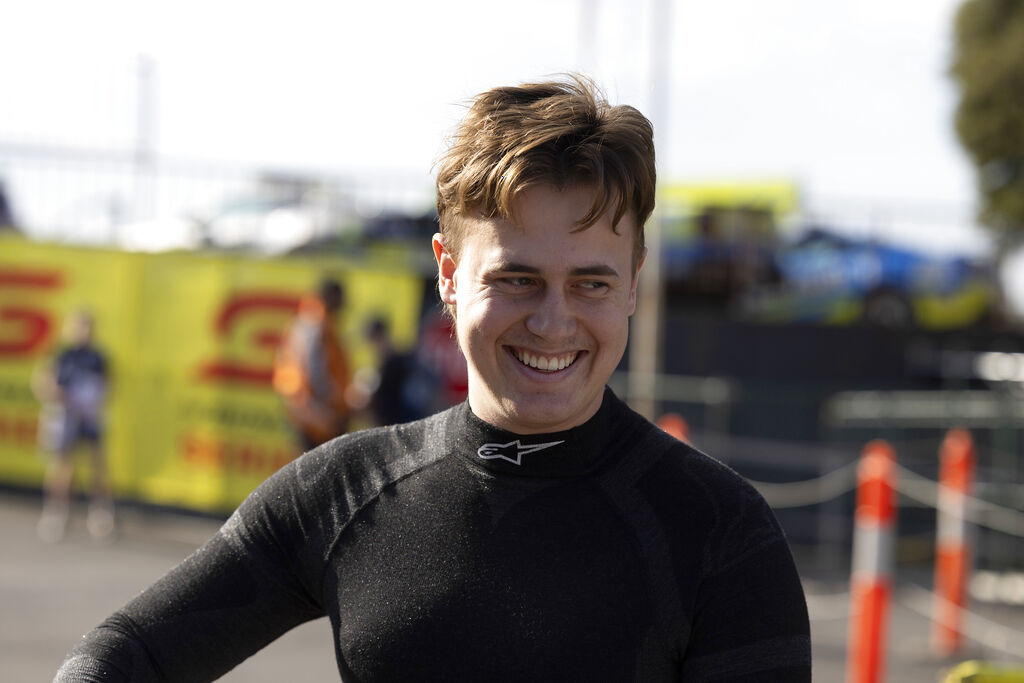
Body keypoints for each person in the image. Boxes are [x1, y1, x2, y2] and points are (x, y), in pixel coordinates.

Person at [55, 75, 810, 681]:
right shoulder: (346, 491)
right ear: (449, 275)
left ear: (636, 280)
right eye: (516, 280)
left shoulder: (719, 531)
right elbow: (127, 652)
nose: (553, 322)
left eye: (592, 284)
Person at [34, 310, 115, 543]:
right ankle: (56, 512)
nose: (84, 332)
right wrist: (58, 397)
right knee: (62, 465)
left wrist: (92, 405)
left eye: (88, 327)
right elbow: (43, 382)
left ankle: (100, 513)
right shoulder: (61, 355)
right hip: (66, 417)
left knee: (97, 464)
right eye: (80, 326)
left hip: (89, 418)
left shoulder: (98, 357)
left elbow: (108, 384)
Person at [272, 277, 352, 451]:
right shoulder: (315, 325)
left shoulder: (311, 322)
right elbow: (315, 371)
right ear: (329, 297)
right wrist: (331, 406)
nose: (343, 303)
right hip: (315, 413)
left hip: (310, 411)